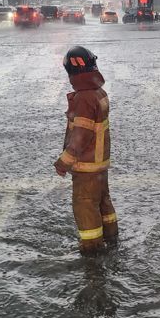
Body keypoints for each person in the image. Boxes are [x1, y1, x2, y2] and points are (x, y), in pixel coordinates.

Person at [54, 46, 118, 252]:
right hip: (99, 165)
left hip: (87, 167)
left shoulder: (84, 99)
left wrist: (63, 161)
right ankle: (111, 237)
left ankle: (92, 251)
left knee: (85, 205)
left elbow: (80, 136)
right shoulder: (99, 92)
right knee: (102, 202)